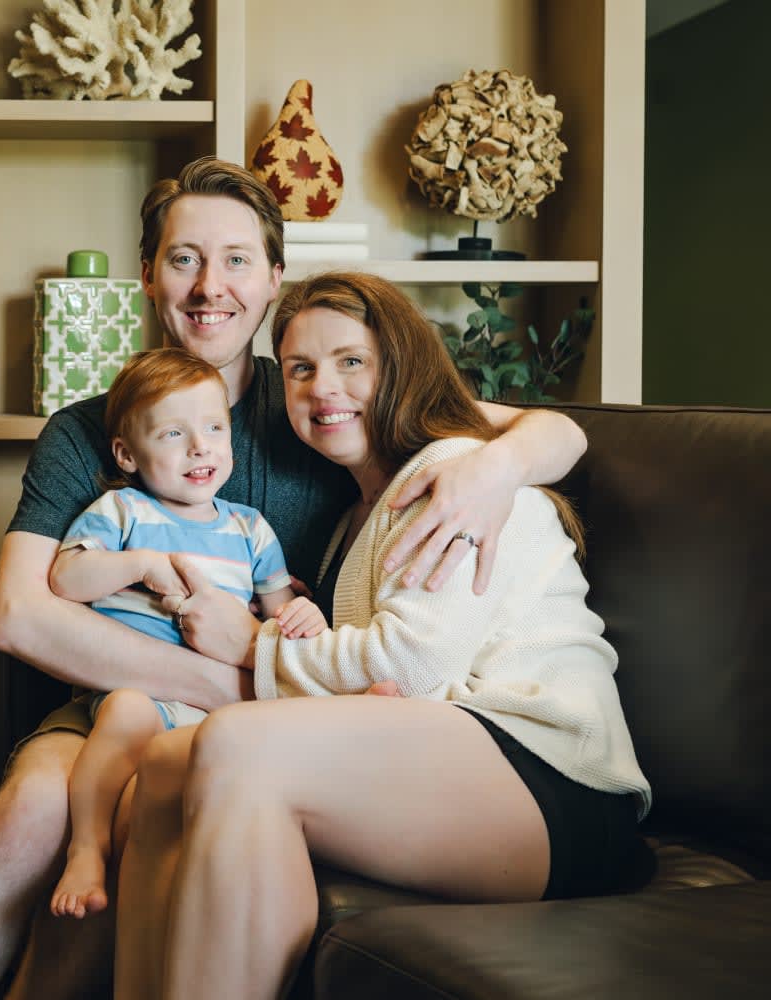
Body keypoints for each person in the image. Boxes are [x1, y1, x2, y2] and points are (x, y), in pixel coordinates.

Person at [0, 157, 588, 1000]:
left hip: (289, 701)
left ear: (274, 279)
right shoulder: (94, 427)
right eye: (183, 259)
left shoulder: (325, 401)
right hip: (149, 689)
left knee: (152, 795)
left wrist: (497, 472)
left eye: (238, 260)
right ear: (147, 275)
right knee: (31, 809)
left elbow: (539, 429)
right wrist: (233, 678)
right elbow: (21, 617)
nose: (211, 286)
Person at [116, 271, 652, 999]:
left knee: (236, 742)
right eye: (301, 369)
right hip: (460, 756)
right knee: (164, 763)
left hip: (556, 782)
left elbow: (417, 666)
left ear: (397, 365)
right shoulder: (353, 520)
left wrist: (250, 644)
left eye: (351, 362)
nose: (322, 388)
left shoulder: (458, 479)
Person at [48, 347, 325, 919]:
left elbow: (277, 613)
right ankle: (86, 847)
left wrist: (305, 618)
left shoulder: (250, 528)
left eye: (214, 428)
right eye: (174, 433)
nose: (200, 447)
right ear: (127, 453)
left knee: (259, 739)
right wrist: (139, 564)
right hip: (139, 693)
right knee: (126, 711)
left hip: (216, 706)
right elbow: (65, 577)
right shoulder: (123, 512)